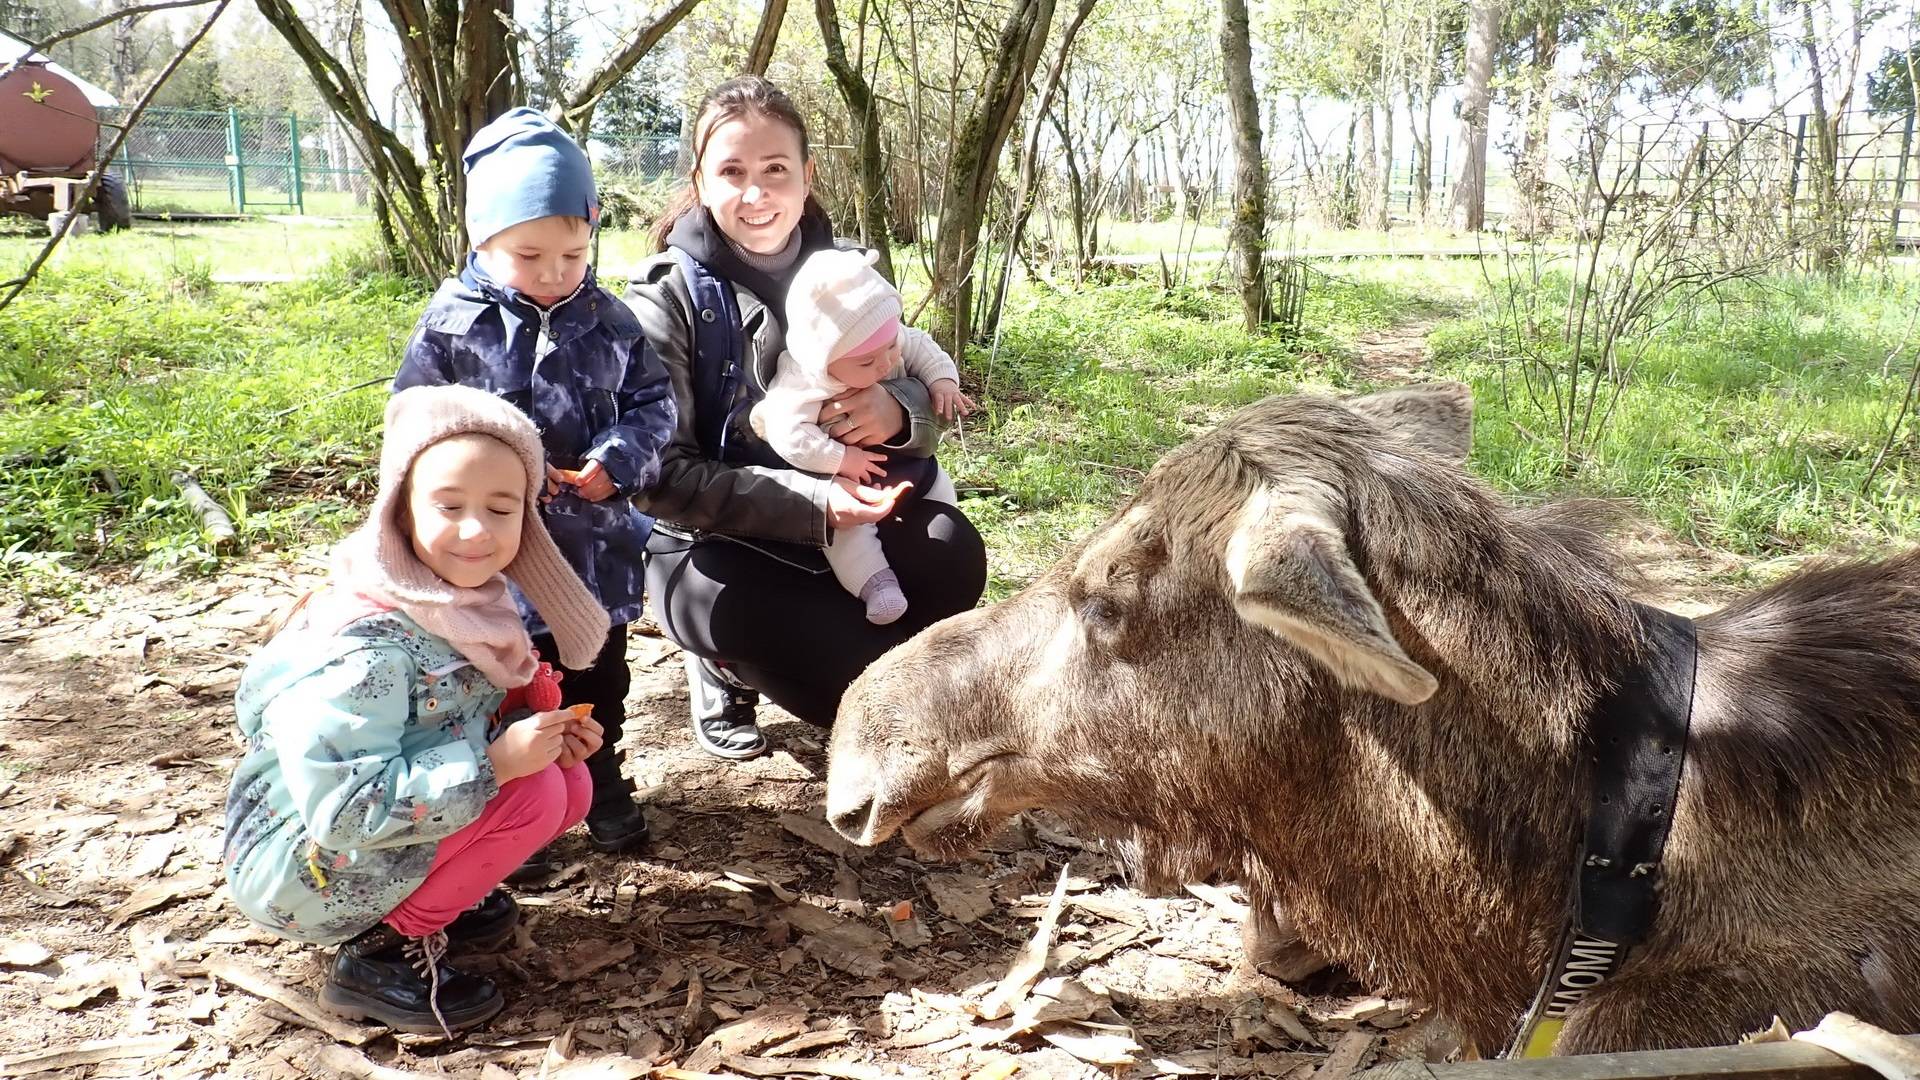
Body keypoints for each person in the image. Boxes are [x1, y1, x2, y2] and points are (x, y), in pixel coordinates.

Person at [222, 385, 610, 1036]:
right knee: (535, 793)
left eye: (501, 508)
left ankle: (434, 896)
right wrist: (495, 765)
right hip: (303, 867)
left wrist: (529, 734)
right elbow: (344, 810)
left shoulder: (461, 605)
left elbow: (445, 723)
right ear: (400, 510)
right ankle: (375, 957)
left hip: (368, 831)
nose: (476, 530)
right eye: (449, 505)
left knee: (567, 783)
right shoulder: (364, 651)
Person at [624, 74, 987, 752]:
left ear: (807, 174)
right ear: (700, 179)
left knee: (952, 555)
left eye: (775, 170)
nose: (756, 194)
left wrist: (900, 410)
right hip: (714, 543)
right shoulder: (664, 297)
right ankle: (722, 667)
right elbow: (659, 478)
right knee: (849, 682)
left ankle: (862, 648)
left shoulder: (849, 270)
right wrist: (814, 502)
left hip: (848, 509)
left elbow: (908, 364)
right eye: (732, 171)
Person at [394, 108, 674, 854]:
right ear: (482, 241)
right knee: (496, 677)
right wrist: (490, 475)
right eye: (530, 255)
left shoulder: (609, 320)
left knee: (597, 672)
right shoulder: (453, 324)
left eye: (574, 255)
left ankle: (601, 771)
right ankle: (517, 800)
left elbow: (655, 402)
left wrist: (615, 463)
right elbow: (414, 420)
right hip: (487, 554)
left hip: (593, 547)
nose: (555, 274)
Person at [750, 247, 974, 624]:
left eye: (890, 348)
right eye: (867, 362)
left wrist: (942, 381)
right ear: (824, 361)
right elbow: (788, 433)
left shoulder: (885, 336)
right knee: (848, 534)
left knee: (941, 491)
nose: (887, 362)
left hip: (907, 460)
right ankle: (876, 585)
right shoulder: (803, 380)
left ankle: (941, 522)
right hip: (849, 480)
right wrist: (840, 459)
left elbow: (920, 345)